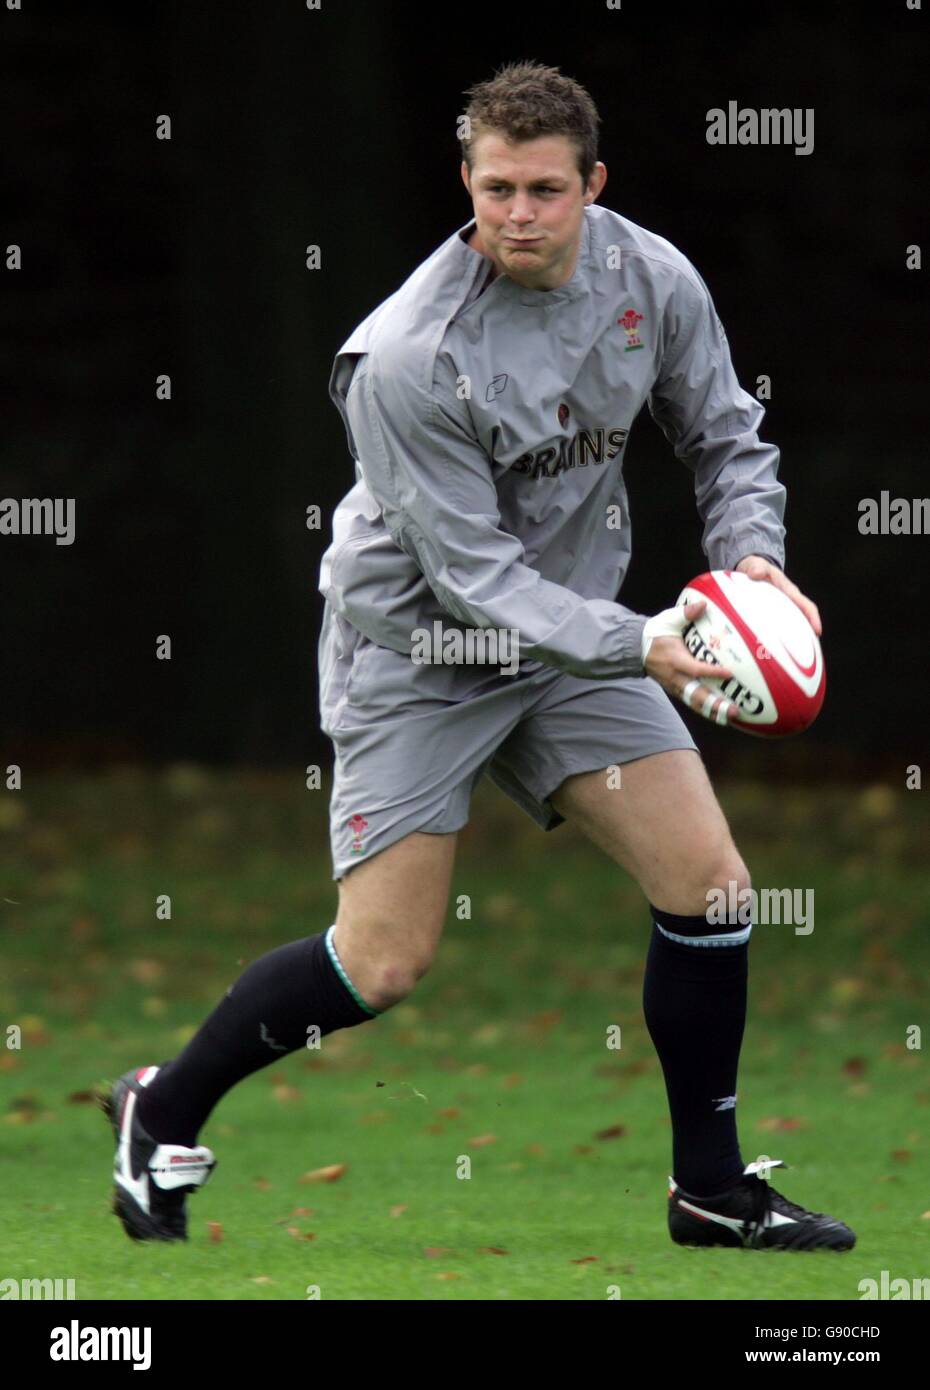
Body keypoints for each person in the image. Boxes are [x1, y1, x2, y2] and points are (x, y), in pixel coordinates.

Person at [104, 61, 853, 1252]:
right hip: (421, 650)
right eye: (495, 186)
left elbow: (726, 437)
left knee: (711, 891)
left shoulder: (651, 278)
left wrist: (751, 564)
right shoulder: (409, 356)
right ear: (466, 179)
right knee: (382, 962)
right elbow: (473, 584)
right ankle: (164, 1107)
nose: (517, 212)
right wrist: (649, 640)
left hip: (579, 643)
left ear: (591, 185)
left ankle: (710, 1189)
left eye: (544, 189)